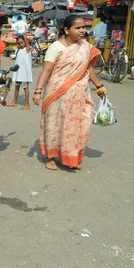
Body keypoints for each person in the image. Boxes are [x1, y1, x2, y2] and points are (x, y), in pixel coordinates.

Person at [33, 15, 107, 171]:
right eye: (78, 28)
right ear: (66, 30)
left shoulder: (86, 47)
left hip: (80, 94)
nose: (82, 31)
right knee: (55, 125)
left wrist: (99, 85)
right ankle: (51, 157)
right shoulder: (56, 47)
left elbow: (88, 68)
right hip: (57, 93)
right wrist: (38, 91)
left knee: (80, 125)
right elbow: (47, 70)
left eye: (84, 27)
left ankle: (71, 156)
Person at [7, 35, 33, 110]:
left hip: (24, 75)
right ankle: (14, 101)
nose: (21, 44)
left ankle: (27, 104)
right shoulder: (18, 50)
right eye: (19, 43)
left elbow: (27, 44)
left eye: (22, 43)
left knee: (25, 88)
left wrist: (25, 37)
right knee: (16, 87)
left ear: (25, 42)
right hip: (18, 74)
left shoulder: (27, 49)